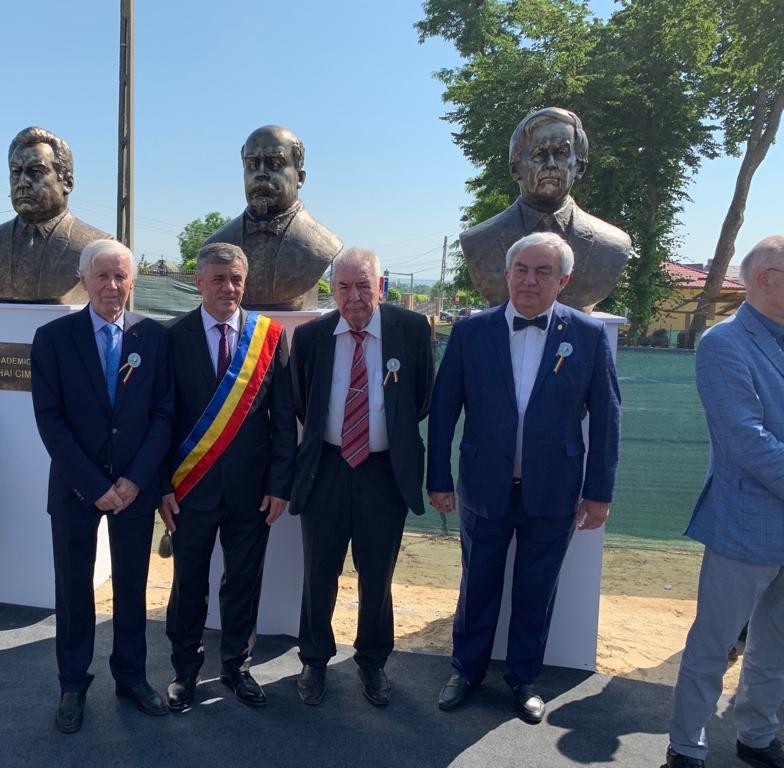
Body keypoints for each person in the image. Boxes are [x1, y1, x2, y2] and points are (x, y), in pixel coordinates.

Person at [429, 232, 620, 723]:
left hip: (554, 489)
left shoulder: (588, 335)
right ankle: (466, 670)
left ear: (563, 281)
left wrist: (599, 492)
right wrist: (439, 478)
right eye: (522, 269)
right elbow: (444, 410)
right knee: (477, 585)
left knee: (537, 589)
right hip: (482, 486)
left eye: (543, 272)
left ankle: (523, 678)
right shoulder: (471, 332)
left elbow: (607, 418)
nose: (529, 280)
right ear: (507, 273)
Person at [31, 239, 174, 733]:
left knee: (132, 587)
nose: (112, 286)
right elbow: (49, 420)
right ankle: (72, 684)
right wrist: (95, 485)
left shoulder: (153, 337)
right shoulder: (53, 338)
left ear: (132, 280)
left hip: (135, 488)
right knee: (74, 590)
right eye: (102, 276)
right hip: (76, 489)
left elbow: (163, 414)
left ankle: (131, 677)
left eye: (121, 276)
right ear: (84, 279)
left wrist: (135, 480)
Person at [290, 246, 433, 707]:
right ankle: (314, 660)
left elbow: (421, 399)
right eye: (344, 287)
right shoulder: (310, 337)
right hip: (326, 469)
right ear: (333, 290)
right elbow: (301, 402)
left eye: (363, 286)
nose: (354, 297)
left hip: (383, 473)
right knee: (319, 571)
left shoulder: (412, 330)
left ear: (381, 286)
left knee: (377, 573)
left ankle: (372, 661)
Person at [662, 235, 784, 768]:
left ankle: (757, 735)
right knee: (714, 645)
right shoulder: (724, 343)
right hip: (745, 524)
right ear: (766, 279)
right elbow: (745, 440)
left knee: (775, 646)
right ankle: (686, 746)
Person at [160, 242, 296, 711]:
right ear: (198, 282)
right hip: (190, 487)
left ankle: (237, 666)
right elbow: (162, 418)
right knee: (189, 584)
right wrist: (162, 485)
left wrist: (280, 485)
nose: (228, 287)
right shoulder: (172, 337)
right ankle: (185, 670)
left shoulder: (269, 337)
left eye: (236, 278)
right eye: (218, 278)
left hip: (251, 491)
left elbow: (283, 420)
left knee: (243, 581)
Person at [459, 107, 632, 312]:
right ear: (515, 167)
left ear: (580, 166)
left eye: (561, 153)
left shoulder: (613, 245)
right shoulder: (479, 241)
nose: (551, 164)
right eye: (539, 154)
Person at [204, 125, 342, 311]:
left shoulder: (324, 245)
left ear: (300, 178)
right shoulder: (217, 243)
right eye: (252, 165)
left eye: (275, 163)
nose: (260, 173)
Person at [0, 126, 111, 304]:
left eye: (36, 171)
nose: (23, 182)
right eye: (16, 172)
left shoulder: (95, 247)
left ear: (67, 183)